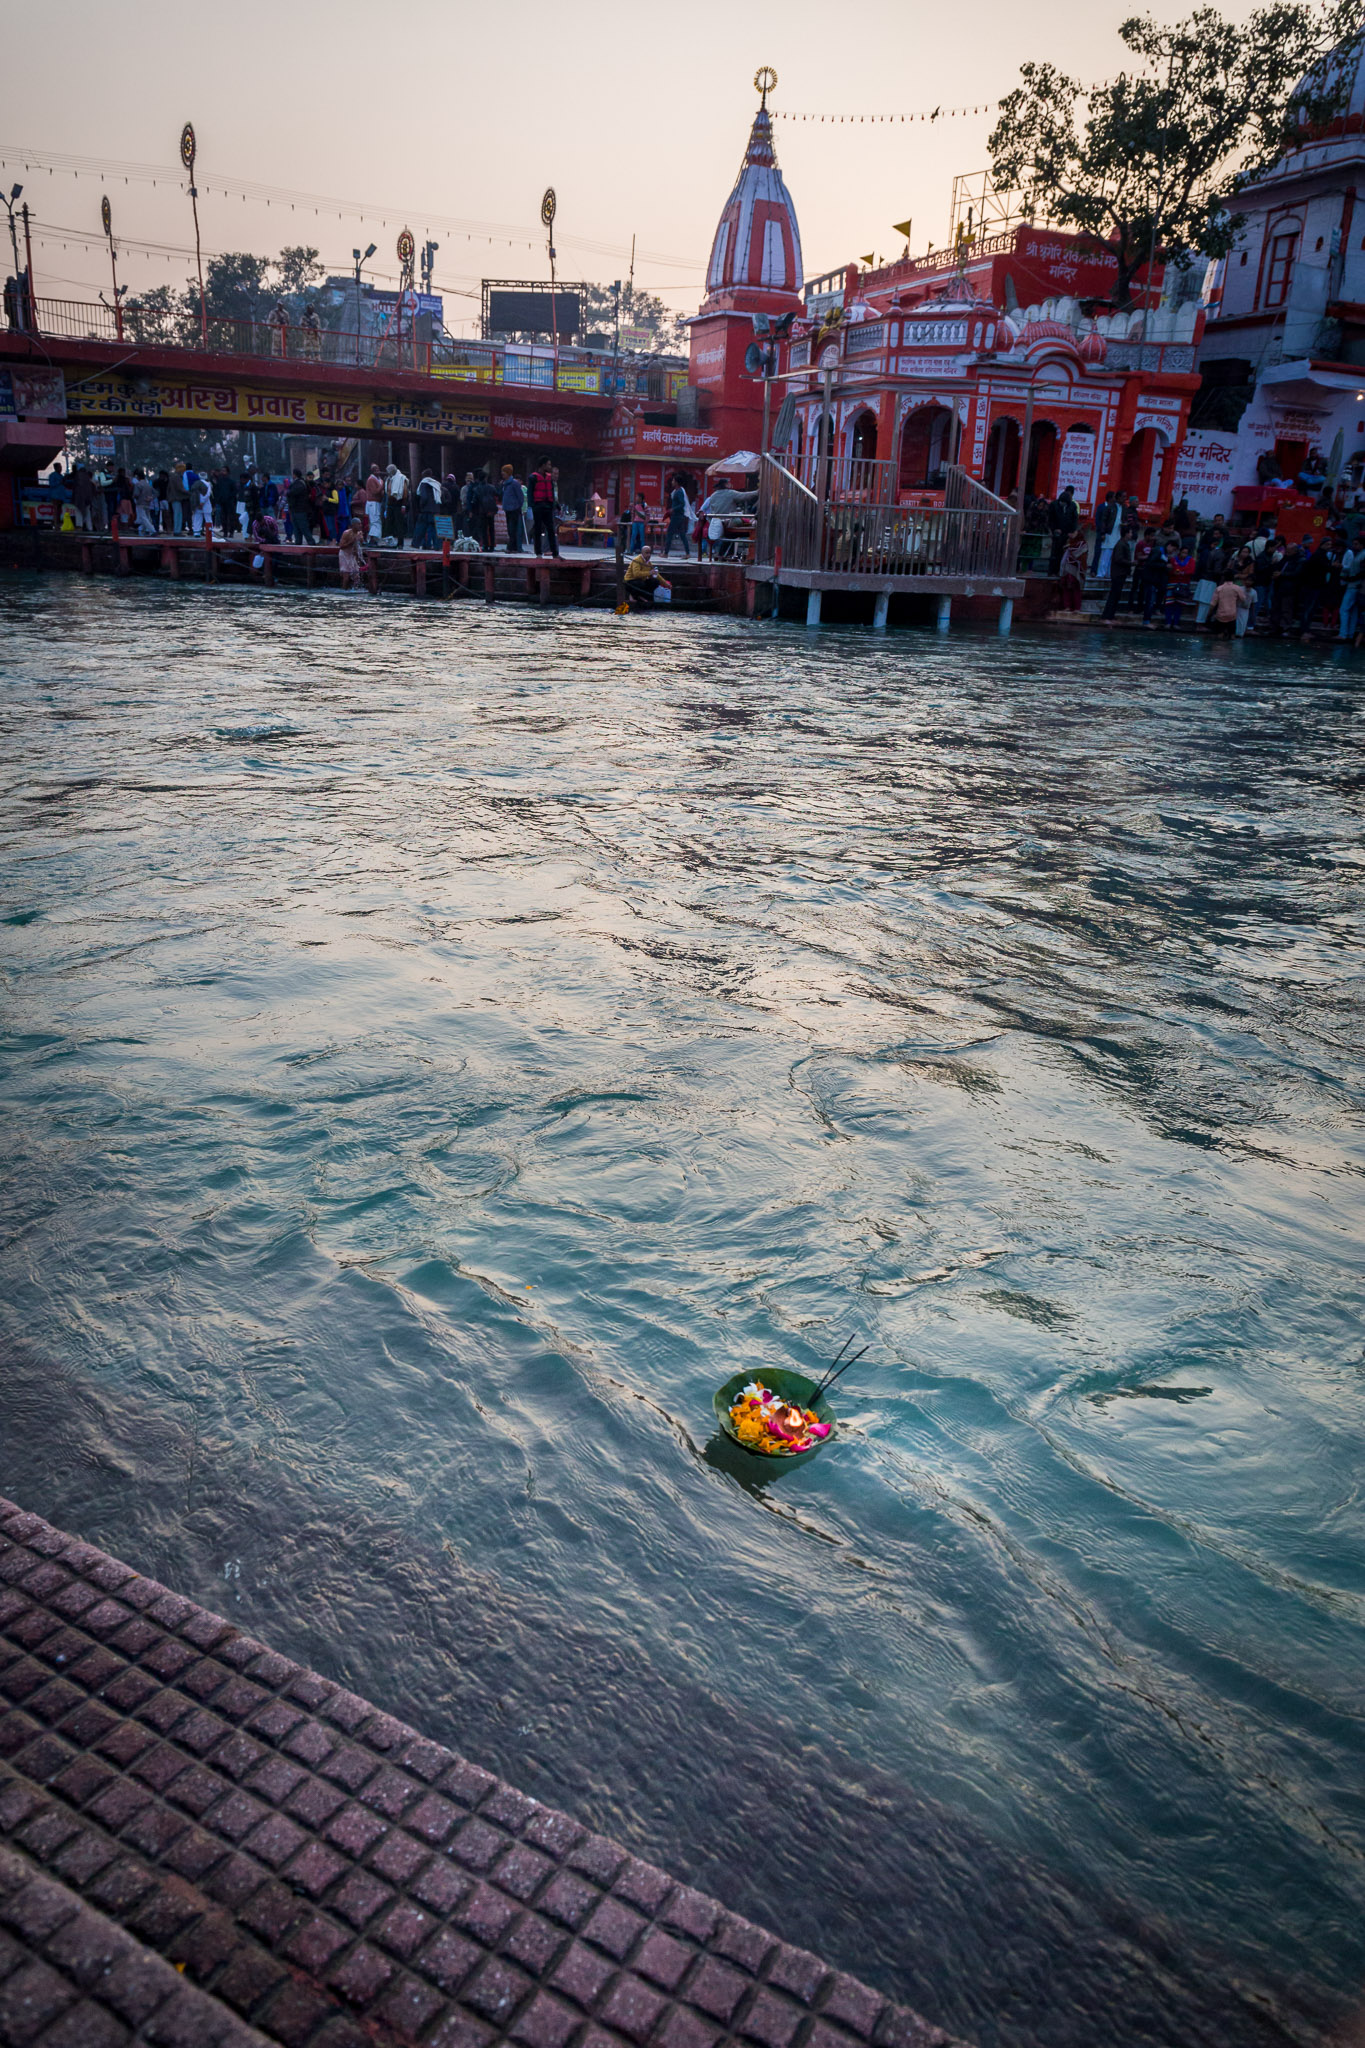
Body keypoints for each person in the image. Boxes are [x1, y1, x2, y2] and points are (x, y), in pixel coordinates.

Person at [1101, 525, 1135, 621]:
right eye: (1130, 532)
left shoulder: (1124, 544)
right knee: (1114, 596)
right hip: (1118, 574)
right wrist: (1131, 563)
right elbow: (1119, 559)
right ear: (1126, 533)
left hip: (1121, 573)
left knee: (1116, 596)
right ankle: (1106, 616)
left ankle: (1110, 616)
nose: (1131, 534)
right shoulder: (1121, 544)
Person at [529, 458, 559, 557]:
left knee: (551, 530)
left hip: (548, 507)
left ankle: (555, 553)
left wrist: (555, 505)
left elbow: (552, 491)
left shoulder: (549, 478)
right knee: (537, 529)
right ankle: (538, 553)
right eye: (548, 465)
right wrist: (533, 506)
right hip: (538, 506)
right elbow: (530, 493)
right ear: (543, 465)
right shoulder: (533, 477)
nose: (550, 467)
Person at [1046, 485, 1078, 575]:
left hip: (1067, 533)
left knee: (1064, 554)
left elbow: (1074, 519)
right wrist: (1054, 529)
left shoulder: (1072, 506)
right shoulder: (1054, 505)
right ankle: (1052, 571)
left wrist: (1074, 531)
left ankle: (1062, 572)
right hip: (1056, 532)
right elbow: (1050, 519)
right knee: (1055, 553)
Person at [1057, 528, 1089, 611]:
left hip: (1076, 570)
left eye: (1074, 532)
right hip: (1067, 569)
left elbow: (1078, 554)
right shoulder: (1069, 543)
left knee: (1076, 588)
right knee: (1066, 587)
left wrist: (1070, 548)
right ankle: (1067, 606)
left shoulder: (1083, 544)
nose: (1072, 534)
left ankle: (1077, 608)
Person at [1092, 490, 1121, 576]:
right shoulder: (1101, 507)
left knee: (1108, 554)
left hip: (1110, 534)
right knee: (1098, 552)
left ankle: (1106, 572)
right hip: (1101, 533)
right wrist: (1102, 532)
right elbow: (1098, 520)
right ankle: (1094, 570)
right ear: (1110, 498)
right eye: (1114, 497)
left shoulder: (1115, 508)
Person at [413, 469, 442, 550]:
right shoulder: (436, 484)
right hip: (436, 510)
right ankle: (437, 546)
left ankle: (416, 544)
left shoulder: (424, 483)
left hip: (426, 510)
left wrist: (421, 505)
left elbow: (424, 497)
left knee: (421, 528)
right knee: (434, 529)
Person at [662, 477, 690, 559]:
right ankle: (687, 553)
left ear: (677, 482)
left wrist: (673, 509)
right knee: (682, 535)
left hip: (677, 516)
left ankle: (666, 553)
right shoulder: (678, 491)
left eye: (673, 481)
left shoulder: (679, 492)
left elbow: (682, 504)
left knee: (670, 533)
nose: (672, 482)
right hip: (679, 516)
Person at [500, 465, 525, 552]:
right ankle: (511, 546)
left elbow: (520, 497)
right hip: (507, 509)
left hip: (514, 509)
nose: (502, 473)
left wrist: (517, 506)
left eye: (504, 471)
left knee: (513, 529)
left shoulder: (514, 483)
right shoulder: (504, 484)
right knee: (510, 529)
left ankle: (512, 547)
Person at [383, 461, 409, 545]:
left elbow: (405, 492)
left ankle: (400, 542)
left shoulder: (401, 478)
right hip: (390, 503)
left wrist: (403, 505)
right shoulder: (389, 479)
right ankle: (389, 540)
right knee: (389, 522)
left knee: (399, 523)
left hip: (398, 503)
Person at [337, 517, 366, 590]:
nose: (361, 525)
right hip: (344, 554)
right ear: (353, 525)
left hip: (352, 555)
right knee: (346, 576)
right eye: (358, 524)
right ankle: (344, 592)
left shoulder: (359, 533)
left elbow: (361, 543)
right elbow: (341, 546)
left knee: (356, 576)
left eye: (360, 524)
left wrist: (361, 539)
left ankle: (354, 590)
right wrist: (353, 540)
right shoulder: (346, 533)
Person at [287, 469, 313, 544]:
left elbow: (293, 493)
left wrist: (288, 492)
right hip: (295, 509)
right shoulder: (297, 483)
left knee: (303, 527)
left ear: (295, 474)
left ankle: (311, 543)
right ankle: (298, 543)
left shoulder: (300, 483)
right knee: (296, 529)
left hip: (300, 509)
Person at [475, 474, 499, 551]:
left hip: (482, 510)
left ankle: (485, 545)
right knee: (491, 528)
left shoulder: (477, 488)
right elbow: (497, 494)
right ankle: (492, 546)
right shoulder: (492, 487)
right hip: (491, 510)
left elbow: (475, 500)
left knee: (484, 529)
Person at [68, 464, 95, 534]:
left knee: (79, 513)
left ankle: (79, 527)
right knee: (87, 513)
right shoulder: (86, 477)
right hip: (87, 498)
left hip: (79, 498)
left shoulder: (78, 476)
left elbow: (75, 488)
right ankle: (90, 528)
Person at [132, 470, 157, 536]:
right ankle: (141, 532)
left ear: (137, 477)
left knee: (143, 518)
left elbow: (136, 494)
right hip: (147, 503)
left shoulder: (138, 484)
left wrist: (133, 497)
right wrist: (151, 497)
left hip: (140, 503)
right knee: (146, 518)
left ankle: (153, 530)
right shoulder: (148, 485)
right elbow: (156, 493)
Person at [363, 467, 385, 543]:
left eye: (378, 469)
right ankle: (373, 538)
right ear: (372, 471)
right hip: (373, 502)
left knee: (376, 520)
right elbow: (375, 491)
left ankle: (375, 538)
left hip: (377, 502)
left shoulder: (378, 479)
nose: (378, 471)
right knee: (375, 520)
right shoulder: (371, 479)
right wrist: (382, 484)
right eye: (376, 470)